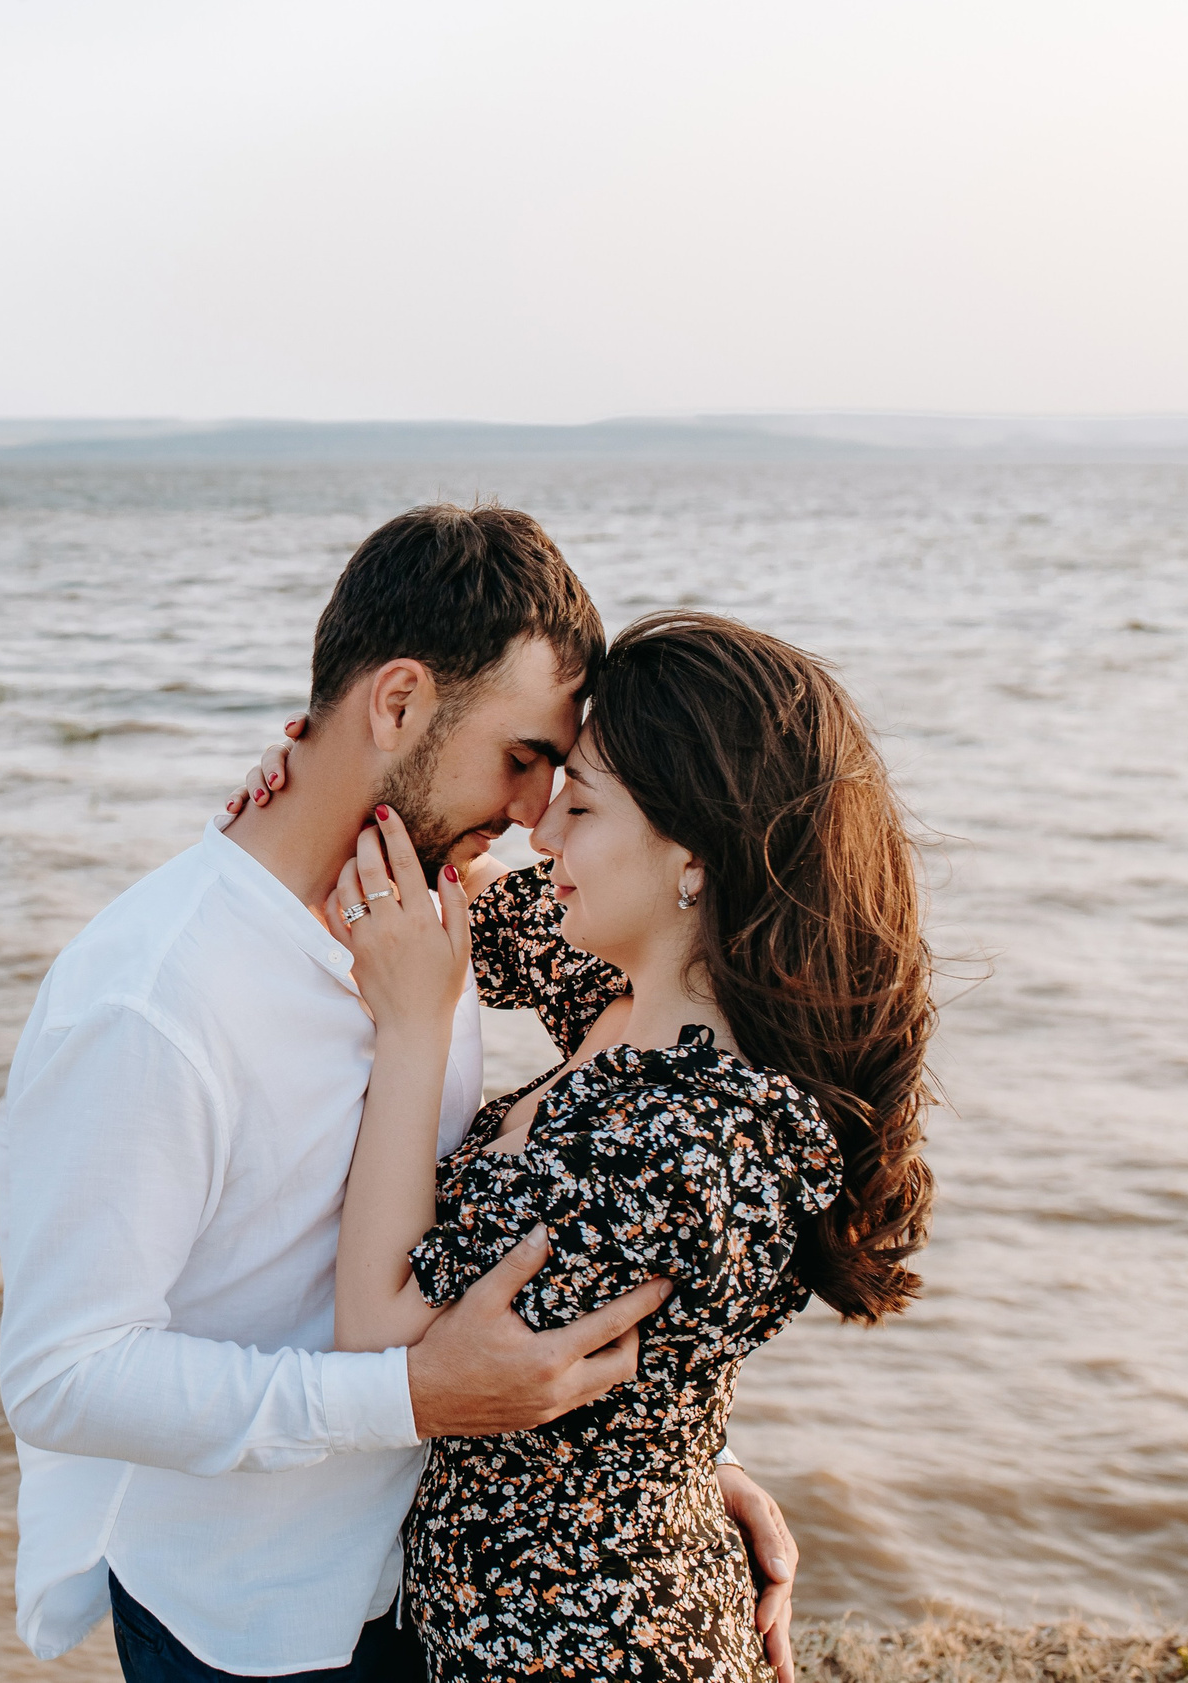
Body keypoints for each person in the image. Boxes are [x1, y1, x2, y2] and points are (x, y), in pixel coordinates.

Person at [0, 507, 801, 1683]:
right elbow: (65, 1378)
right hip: (254, 1623)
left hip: (442, 1590)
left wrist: (672, 1458)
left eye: (558, 775)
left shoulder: (434, 908)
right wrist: (407, 1395)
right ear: (400, 704)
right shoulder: (151, 1003)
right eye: (523, 759)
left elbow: (647, 1124)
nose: (535, 812)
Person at [245, 610, 935, 1678]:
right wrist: (315, 783)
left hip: (587, 1646)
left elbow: (382, 1336)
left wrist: (415, 1031)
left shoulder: (682, 1141)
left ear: (689, 856)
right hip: (527, 1615)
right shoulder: (626, 997)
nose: (539, 834)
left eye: (576, 805)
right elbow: (440, 886)